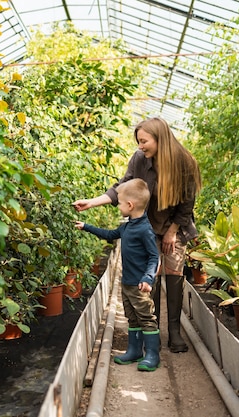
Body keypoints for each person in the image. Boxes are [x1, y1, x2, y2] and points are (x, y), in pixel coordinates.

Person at [73, 117, 201, 353]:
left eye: (144, 141)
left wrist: (172, 232)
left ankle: (174, 331)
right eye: (139, 141)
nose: (140, 146)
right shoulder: (140, 160)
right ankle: (153, 329)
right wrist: (92, 203)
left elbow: (187, 204)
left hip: (176, 225)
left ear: (159, 138)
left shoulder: (184, 162)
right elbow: (123, 187)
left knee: (173, 270)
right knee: (150, 274)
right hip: (148, 225)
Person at [75, 179, 160, 371]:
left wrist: (148, 278)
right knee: (132, 318)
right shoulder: (127, 226)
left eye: (119, 203)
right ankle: (134, 350)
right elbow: (109, 235)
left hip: (140, 286)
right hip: (127, 283)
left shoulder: (144, 229)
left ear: (130, 205)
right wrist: (86, 226)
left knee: (146, 318)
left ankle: (152, 355)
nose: (118, 206)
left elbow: (154, 257)